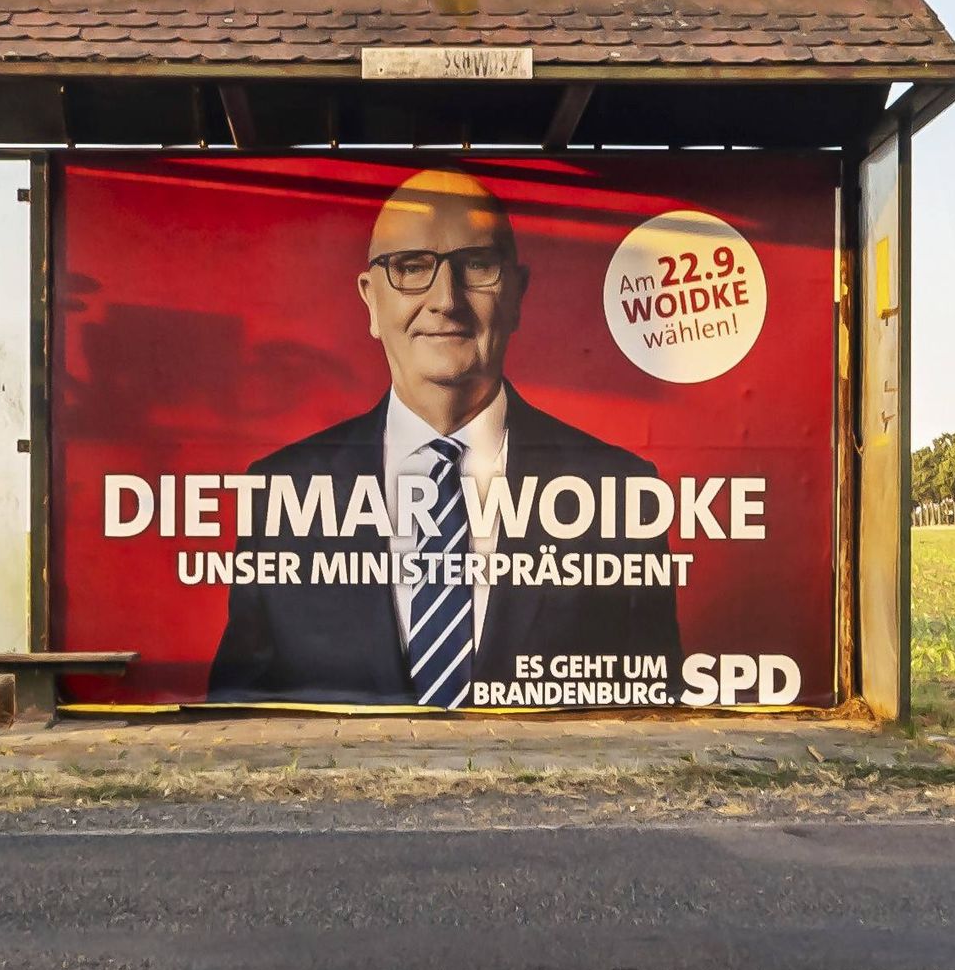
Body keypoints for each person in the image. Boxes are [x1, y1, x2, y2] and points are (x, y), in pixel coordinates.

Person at [205, 170, 685, 706]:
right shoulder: (279, 489)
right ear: (370, 300)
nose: (445, 300)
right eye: (410, 267)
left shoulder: (619, 489)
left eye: (477, 264)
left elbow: (652, 713)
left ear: (518, 294)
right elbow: (238, 710)